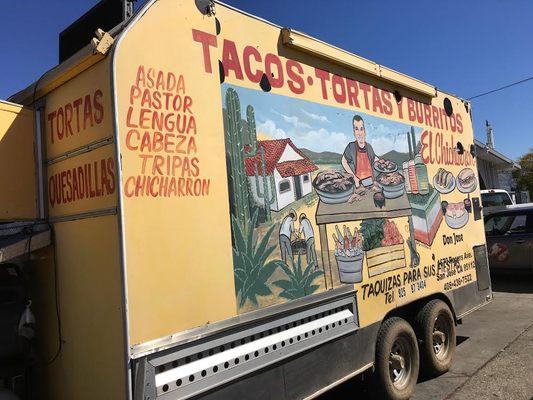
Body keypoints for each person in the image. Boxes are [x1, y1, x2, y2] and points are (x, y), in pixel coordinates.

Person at [341, 115, 380, 187]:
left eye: (361, 129)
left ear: (364, 131)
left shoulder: (369, 146)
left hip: (372, 182)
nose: (359, 133)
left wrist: (381, 163)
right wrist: (354, 177)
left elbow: (374, 158)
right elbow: (343, 161)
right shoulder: (351, 146)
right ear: (354, 132)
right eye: (356, 129)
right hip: (360, 184)